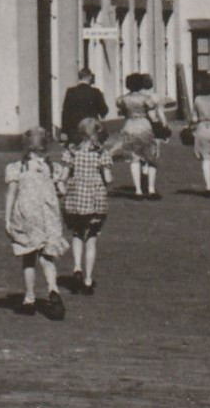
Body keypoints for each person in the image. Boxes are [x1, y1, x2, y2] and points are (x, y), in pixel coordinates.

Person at [4, 127, 69, 320]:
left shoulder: (17, 167)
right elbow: (62, 190)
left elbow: (11, 193)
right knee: (47, 256)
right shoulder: (51, 167)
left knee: (28, 255)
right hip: (48, 213)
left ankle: (29, 297)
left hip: (26, 213)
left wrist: (7, 218)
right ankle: (53, 288)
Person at [59, 117, 112, 296]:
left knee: (76, 233)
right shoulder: (101, 153)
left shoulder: (72, 152)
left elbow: (64, 175)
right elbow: (109, 178)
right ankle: (88, 280)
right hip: (95, 199)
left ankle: (76, 267)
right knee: (91, 238)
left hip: (76, 198)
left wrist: (61, 185)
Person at [110, 72, 165, 200]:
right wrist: (160, 126)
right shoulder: (146, 99)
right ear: (141, 85)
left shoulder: (122, 99)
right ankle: (151, 189)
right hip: (144, 126)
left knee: (134, 158)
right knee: (151, 157)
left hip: (129, 126)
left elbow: (121, 110)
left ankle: (138, 190)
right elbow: (152, 115)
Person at [59, 68, 109, 142]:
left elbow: (65, 112)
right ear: (90, 77)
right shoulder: (95, 92)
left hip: (74, 129)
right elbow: (104, 111)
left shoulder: (70, 92)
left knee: (75, 151)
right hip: (91, 130)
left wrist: (64, 131)